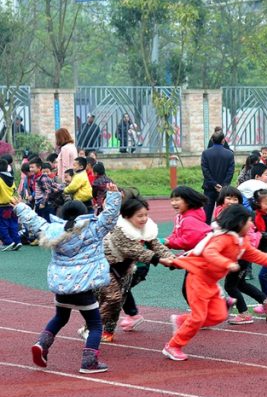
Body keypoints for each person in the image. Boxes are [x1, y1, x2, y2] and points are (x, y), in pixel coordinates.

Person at [16, 184, 121, 374]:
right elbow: (110, 216)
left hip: (62, 287)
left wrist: (20, 206)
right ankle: (89, 363)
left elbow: (34, 221)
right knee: (96, 325)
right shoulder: (94, 229)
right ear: (86, 213)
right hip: (84, 288)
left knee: (60, 317)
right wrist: (113, 195)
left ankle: (42, 344)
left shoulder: (53, 230)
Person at [163, 205, 267, 361]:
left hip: (211, 283)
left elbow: (259, 256)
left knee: (219, 315)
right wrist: (227, 264)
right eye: (249, 221)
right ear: (239, 222)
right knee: (198, 317)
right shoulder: (222, 238)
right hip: (197, 278)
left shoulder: (241, 242)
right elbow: (210, 252)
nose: (252, 225)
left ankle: (182, 320)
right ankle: (173, 346)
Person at [84, 196, 176, 342]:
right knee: (113, 298)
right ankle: (90, 328)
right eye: (139, 216)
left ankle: (107, 332)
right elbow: (133, 250)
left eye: (146, 214)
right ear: (127, 216)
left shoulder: (146, 228)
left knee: (117, 302)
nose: (144, 219)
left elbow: (156, 245)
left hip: (125, 269)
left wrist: (172, 258)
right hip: (105, 267)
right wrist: (159, 260)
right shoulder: (119, 229)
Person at [215, 187, 267, 324]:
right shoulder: (220, 212)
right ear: (222, 199)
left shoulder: (239, 215)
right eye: (229, 198)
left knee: (230, 286)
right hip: (234, 256)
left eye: (235, 199)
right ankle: (266, 301)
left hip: (241, 256)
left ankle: (244, 313)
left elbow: (248, 235)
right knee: (241, 284)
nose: (232, 201)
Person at [200, 131, 235, 223]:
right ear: (223, 140)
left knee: (206, 215)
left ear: (212, 140)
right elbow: (230, 172)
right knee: (223, 215)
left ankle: (206, 234)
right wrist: (223, 186)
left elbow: (205, 171)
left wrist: (214, 184)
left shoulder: (206, 153)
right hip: (224, 190)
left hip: (209, 188)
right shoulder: (229, 154)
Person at [0, 159, 22, 251]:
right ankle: (17, 241)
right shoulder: (10, 178)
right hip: (12, 205)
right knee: (13, 224)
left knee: (2, 225)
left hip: (2, 206)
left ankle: (8, 242)